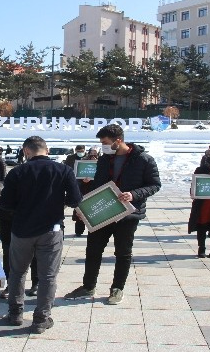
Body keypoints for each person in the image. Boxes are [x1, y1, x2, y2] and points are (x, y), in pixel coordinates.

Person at [65, 124, 161, 305]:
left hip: (127, 214)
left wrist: (134, 194)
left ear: (118, 141)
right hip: (103, 211)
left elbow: (155, 185)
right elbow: (98, 186)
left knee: (123, 252)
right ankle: (88, 286)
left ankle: (117, 289)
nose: (103, 146)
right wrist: (86, 197)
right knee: (93, 249)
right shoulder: (104, 160)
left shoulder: (144, 159)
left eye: (106, 142)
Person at [0, 136, 81, 334]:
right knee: (48, 276)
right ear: (47, 150)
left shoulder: (17, 171)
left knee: (17, 272)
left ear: (26, 151)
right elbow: (75, 200)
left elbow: (6, 204)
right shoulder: (63, 170)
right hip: (51, 230)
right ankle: (41, 319)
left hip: (22, 230)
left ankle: (15, 313)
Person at [0, 181, 39, 300]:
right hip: (6, 229)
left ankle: (36, 283)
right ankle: (11, 285)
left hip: (26, 227)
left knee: (34, 255)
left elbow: (24, 213)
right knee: (8, 256)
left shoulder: (14, 194)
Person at [71, 147, 98, 236]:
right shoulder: (82, 163)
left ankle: (94, 230)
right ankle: (79, 231)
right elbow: (76, 177)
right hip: (83, 191)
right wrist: (82, 181)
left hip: (95, 191)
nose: (93, 156)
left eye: (95, 154)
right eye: (91, 154)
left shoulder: (101, 163)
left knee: (95, 211)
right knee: (81, 210)